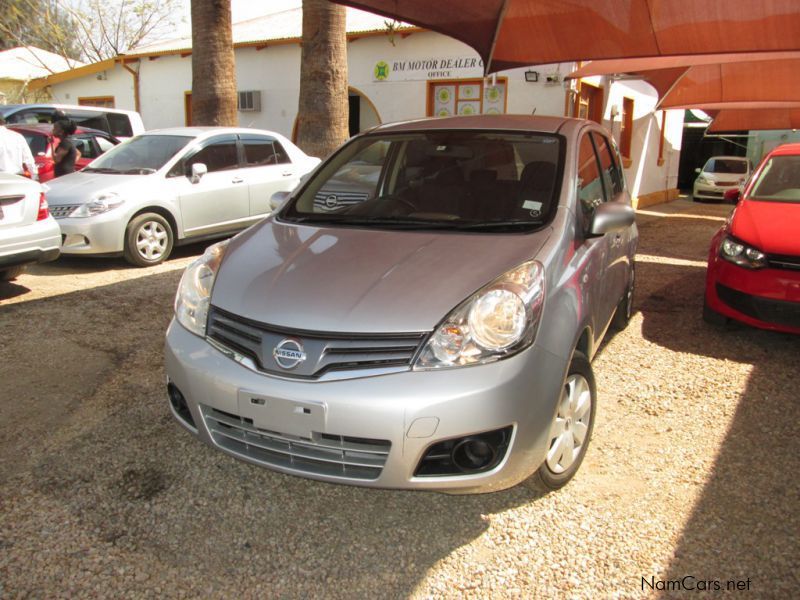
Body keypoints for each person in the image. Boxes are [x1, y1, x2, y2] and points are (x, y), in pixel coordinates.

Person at [0, 114, 37, 179]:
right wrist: (35, 177)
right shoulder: (18, 136)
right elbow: (29, 160)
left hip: (3, 179)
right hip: (17, 178)